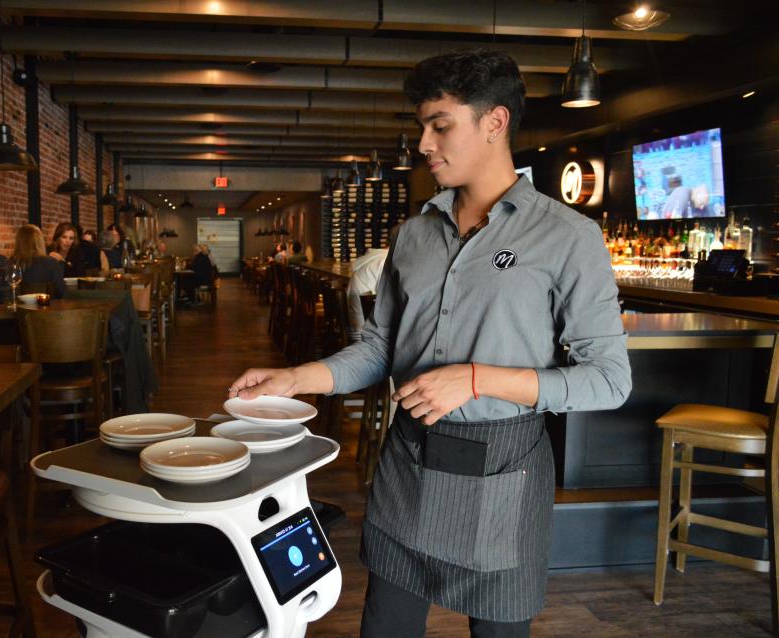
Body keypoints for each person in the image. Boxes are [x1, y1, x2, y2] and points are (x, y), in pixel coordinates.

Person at [228, 50, 632, 638]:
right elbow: (380, 348)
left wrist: (476, 378)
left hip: (504, 469)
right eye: (422, 126)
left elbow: (610, 379)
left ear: (494, 123)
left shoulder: (567, 237)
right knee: (385, 626)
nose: (423, 143)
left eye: (440, 125)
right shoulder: (413, 234)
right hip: (408, 460)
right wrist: (297, 377)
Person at [347, 246, 389, 342]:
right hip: (363, 339)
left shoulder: (373, 258)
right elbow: (387, 304)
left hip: (354, 327)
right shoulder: (384, 262)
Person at [12, 224, 66, 298]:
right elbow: (61, 292)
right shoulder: (51, 262)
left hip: (20, 307)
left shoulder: (11, 263)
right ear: (40, 241)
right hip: (49, 307)